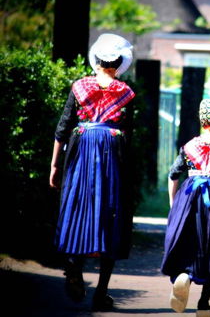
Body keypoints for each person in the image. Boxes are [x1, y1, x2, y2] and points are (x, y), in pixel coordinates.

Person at [49, 33, 136, 311]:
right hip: (112, 154)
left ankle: (73, 267)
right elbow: (129, 135)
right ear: (119, 63)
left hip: (80, 152)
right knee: (110, 215)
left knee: (76, 208)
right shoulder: (126, 93)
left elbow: (63, 128)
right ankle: (101, 292)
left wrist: (54, 165)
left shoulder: (79, 87)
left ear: (96, 60)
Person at [161, 99, 210, 317]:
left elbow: (173, 175)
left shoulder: (189, 147)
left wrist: (173, 205)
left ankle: (183, 276)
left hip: (187, 197)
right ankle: (204, 304)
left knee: (187, 240)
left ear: (202, 120)